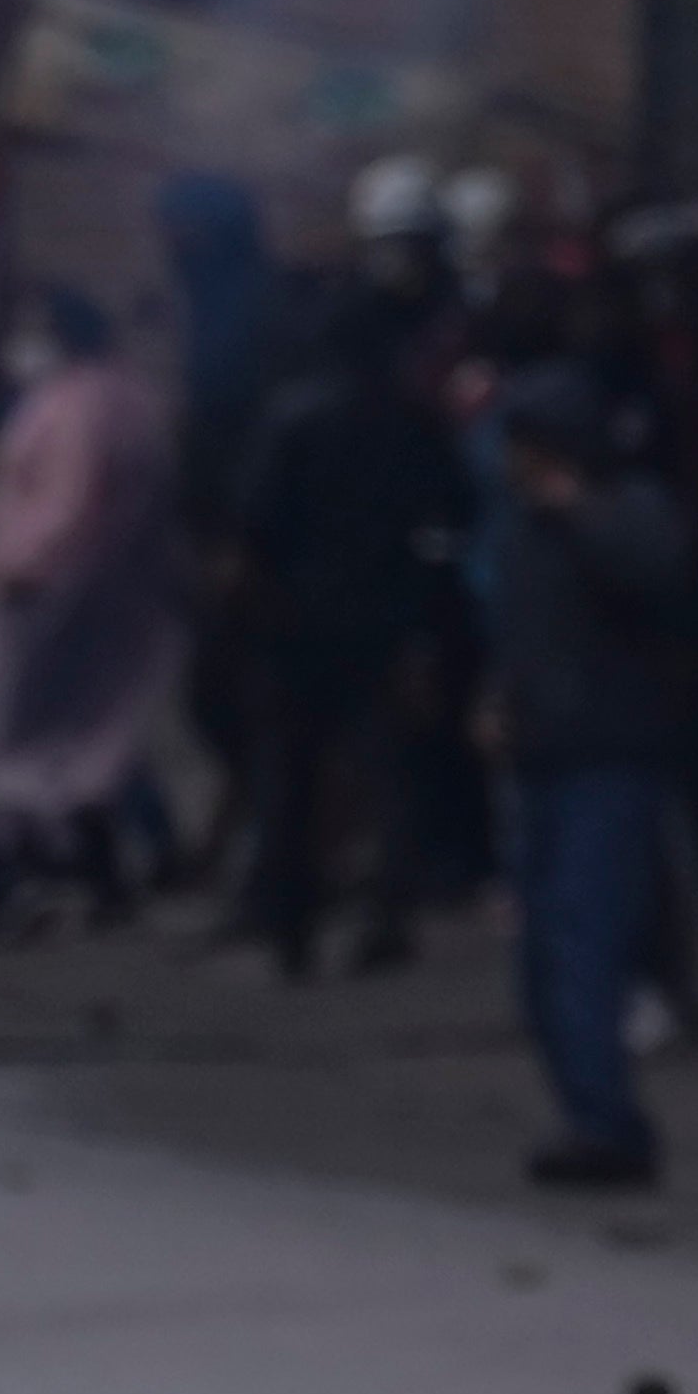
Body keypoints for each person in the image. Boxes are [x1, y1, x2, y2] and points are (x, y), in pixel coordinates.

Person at [482, 365, 698, 1187]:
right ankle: (587, 1113)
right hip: (541, 758)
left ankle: (609, 1125)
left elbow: (655, 576)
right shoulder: (520, 532)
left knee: (585, 941)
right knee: (543, 956)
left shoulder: (627, 510)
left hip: (609, 757)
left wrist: (580, 508)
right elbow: (518, 635)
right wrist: (496, 702)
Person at [232, 273, 475, 979]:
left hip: (296, 625)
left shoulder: (291, 416)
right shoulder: (411, 418)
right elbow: (455, 510)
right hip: (385, 620)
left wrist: (259, 605)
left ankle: (290, 927)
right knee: (389, 773)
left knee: (291, 778)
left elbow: (253, 524)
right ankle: (385, 917)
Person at [0, 287, 184, 921]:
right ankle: (103, 873)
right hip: (113, 592)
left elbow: (68, 503)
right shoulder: (129, 398)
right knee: (94, 739)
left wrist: (16, 569)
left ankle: (44, 873)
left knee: (19, 741)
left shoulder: (76, 406)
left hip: (48, 591)